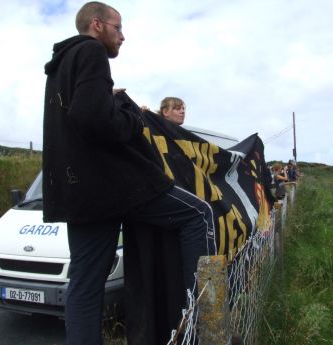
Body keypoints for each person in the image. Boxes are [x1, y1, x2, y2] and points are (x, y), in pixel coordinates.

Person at [42, 2, 215, 345]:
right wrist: (132, 114)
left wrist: (107, 99)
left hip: (81, 197)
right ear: (97, 25)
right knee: (200, 213)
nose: (123, 36)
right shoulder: (91, 52)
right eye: (118, 27)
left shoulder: (60, 66)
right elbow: (93, 119)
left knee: (85, 285)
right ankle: (201, 320)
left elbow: (79, 114)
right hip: (113, 188)